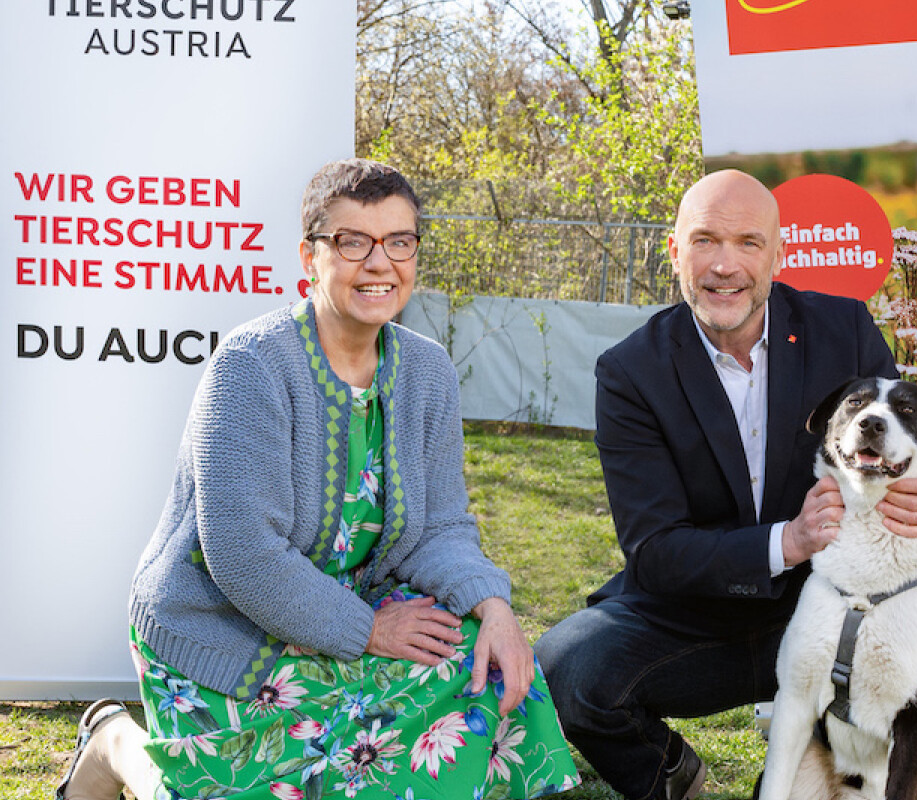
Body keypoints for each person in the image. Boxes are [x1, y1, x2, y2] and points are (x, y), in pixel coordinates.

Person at [56, 158, 579, 800]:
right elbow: (243, 557)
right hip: (222, 622)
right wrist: (373, 632)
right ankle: (115, 743)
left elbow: (440, 526)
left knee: (480, 658)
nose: (380, 262)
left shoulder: (427, 371)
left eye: (400, 242)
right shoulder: (249, 368)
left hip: (346, 608)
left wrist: (494, 606)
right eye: (353, 242)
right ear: (310, 256)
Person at [534, 170, 917, 800]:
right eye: (705, 241)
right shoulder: (630, 371)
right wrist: (787, 542)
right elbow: (655, 550)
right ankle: (670, 775)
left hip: (838, 600)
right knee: (568, 665)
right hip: (696, 617)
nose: (724, 266)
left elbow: (911, 448)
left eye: (747, 242)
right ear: (674, 250)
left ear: (778, 253)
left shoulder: (842, 328)